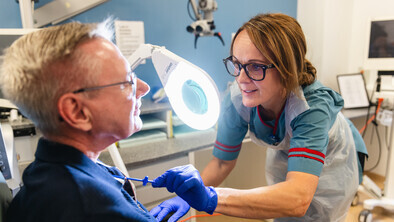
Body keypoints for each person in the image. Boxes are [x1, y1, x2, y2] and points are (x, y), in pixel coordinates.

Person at [151, 13, 369, 222]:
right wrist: (186, 196)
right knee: (283, 212)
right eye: (237, 64)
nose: (242, 79)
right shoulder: (237, 101)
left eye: (255, 67)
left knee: (316, 215)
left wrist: (211, 199)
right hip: (288, 155)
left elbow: (298, 198)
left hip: (336, 159)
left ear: (286, 69)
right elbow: (221, 163)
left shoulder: (310, 108)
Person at [0, 20, 158, 221]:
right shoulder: (94, 208)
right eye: (127, 81)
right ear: (77, 112)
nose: (144, 88)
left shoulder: (43, 173)